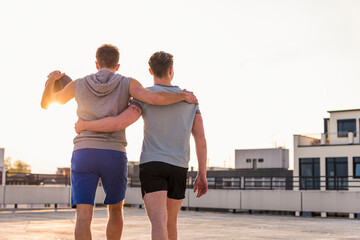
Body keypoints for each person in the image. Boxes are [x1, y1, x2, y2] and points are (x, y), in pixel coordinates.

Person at [40, 45, 198, 240]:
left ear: (96, 64)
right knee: (115, 210)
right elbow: (154, 97)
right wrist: (182, 95)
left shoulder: (78, 84)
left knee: (83, 215)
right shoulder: (128, 83)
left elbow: (47, 103)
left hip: (84, 152)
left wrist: (50, 81)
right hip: (113, 154)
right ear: (118, 64)